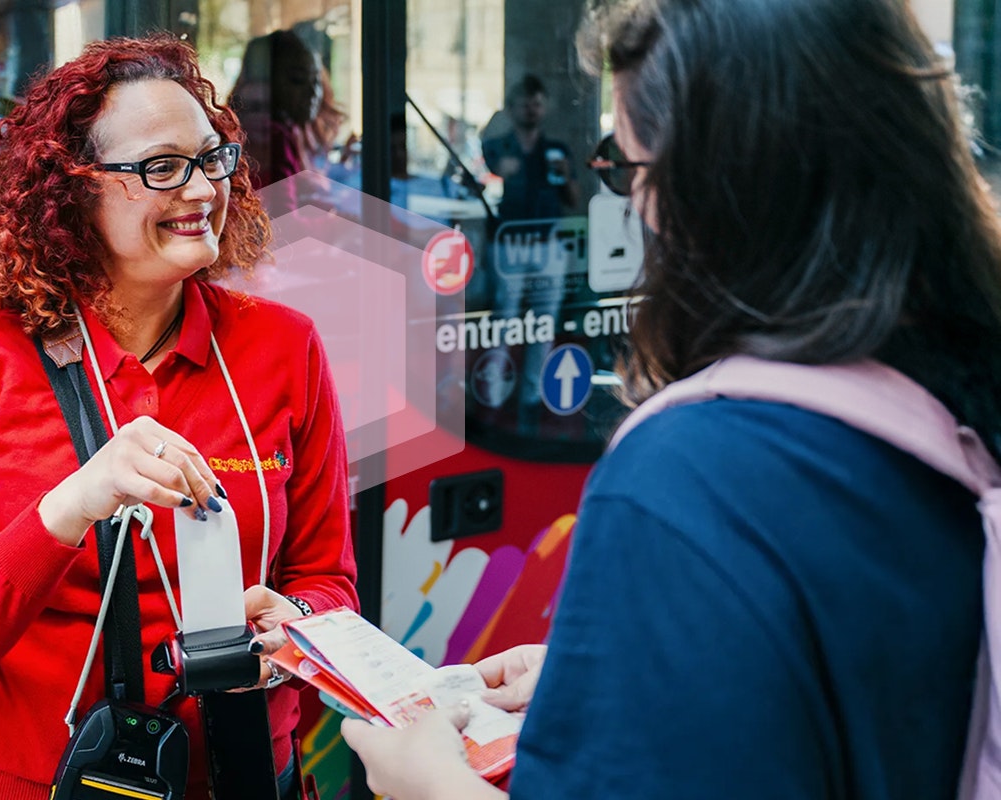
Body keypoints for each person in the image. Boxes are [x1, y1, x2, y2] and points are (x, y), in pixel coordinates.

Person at [340, 0, 1001, 797]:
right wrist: (624, 673)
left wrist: (427, 783)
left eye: (626, 168)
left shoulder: (690, 476)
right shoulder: (952, 390)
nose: (629, 205)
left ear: (712, 188)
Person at [0, 34, 358, 800]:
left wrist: (293, 624)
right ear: (71, 191)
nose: (201, 190)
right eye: (161, 167)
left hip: (236, 775)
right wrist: (70, 506)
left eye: (211, 158)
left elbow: (327, 581)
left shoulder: (284, 346)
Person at [228, 29, 338, 189]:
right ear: (267, 83)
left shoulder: (295, 130)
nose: (312, 92)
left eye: (316, 81)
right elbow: (282, 203)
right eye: (298, 80)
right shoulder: (273, 136)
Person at [480, 74, 579, 221]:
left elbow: (573, 201)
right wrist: (500, 170)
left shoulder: (557, 151)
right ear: (510, 109)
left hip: (550, 229)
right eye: (525, 105)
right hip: (510, 228)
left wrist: (566, 176)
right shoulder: (499, 148)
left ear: (544, 108)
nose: (531, 110)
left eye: (537, 104)